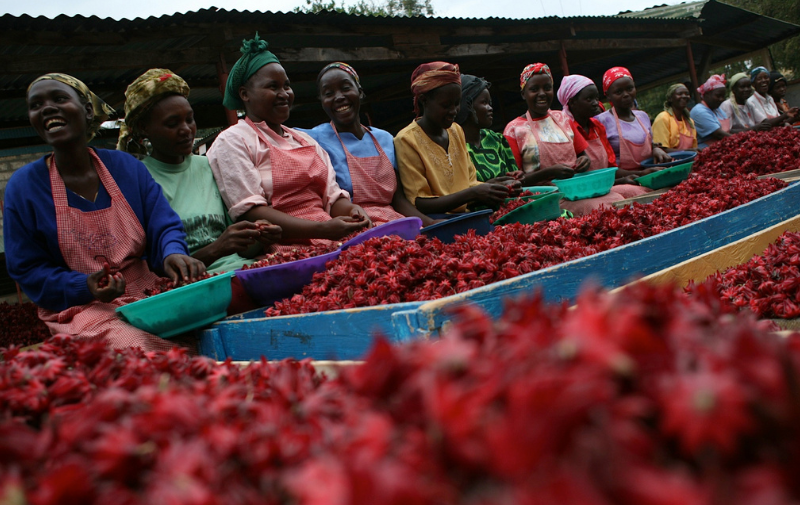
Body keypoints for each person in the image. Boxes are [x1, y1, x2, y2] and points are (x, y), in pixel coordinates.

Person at [4, 73, 206, 351]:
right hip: (82, 306)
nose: (47, 108)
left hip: (148, 291)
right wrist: (83, 285)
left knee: (210, 326)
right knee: (136, 347)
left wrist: (173, 251)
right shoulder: (25, 186)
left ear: (87, 110)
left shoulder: (126, 168)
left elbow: (164, 224)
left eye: (60, 99)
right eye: (36, 105)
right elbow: (26, 268)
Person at [119, 69, 281, 314]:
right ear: (144, 128)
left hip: (240, 272)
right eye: (172, 124)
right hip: (193, 289)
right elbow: (155, 270)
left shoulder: (208, 166)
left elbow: (240, 248)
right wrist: (217, 248)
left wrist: (258, 237)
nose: (186, 129)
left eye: (189, 119)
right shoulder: (139, 181)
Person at [207, 34, 371, 251]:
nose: (284, 94)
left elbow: (331, 197)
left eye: (287, 86)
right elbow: (252, 212)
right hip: (282, 249)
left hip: (333, 239)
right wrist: (321, 229)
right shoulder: (233, 140)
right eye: (273, 87)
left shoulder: (304, 140)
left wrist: (352, 211)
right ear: (245, 94)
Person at [302, 62, 434, 226]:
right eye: (328, 93)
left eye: (345, 88)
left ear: (360, 92)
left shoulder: (384, 139)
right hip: (352, 226)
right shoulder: (313, 139)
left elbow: (398, 201)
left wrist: (431, 224)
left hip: (394, 223)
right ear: (321, 101)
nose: (339, 96)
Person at [395, 62, 517, 216]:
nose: (454, 111)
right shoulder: (406, 140)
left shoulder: (456, 131)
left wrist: (501, 187)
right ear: (424, 100)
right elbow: (420, 203)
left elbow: (470, 183)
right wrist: (473, 193)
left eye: (457, 103)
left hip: (468, 216)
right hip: (438, 223)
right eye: (446, 105)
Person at [504, 64, 628, 216]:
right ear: (523, 94)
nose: (542, 93)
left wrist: (584, 162)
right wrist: (549, 172)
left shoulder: (562, 119)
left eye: (547, 88)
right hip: (545, 200)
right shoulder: (514, 130)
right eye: (534, 89)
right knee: (601, 208)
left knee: (619, 200)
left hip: (576, 191)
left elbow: (583, 155)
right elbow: (516, 182)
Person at [557, 74, 650, 199]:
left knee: (643, 191)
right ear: (572, 103)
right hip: (578, 194)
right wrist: (621, 181)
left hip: (604, 187)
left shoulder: (597, 126)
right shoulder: (564, 130)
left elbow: (611, 167)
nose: (596, 103)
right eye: (589, 99)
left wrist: (638, 174)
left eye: (596, 98)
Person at [596, 67, 672, 170]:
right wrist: (639, 175)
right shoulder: (600, 121)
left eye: (629, 88)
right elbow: (602, 165)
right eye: (619, 92)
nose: (626, 94)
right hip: (623, 180)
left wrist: (655, 149)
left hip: (651, 172)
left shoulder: (643, 116)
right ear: (608, 96)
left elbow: (649, 143)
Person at [456, 74, 522, 184]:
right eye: (484, 102)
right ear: (467, 105)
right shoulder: (452, 145)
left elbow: (514, 175)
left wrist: (517, 177)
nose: (490, 108)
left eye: (490, 103)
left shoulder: (496, 140)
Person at [652, 83, 698, 151]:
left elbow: (694, 148)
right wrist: (687, 152)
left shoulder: (690, 121)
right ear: (670, 99)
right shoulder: (663, 118)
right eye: (680, 94)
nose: (684, 96)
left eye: (687, 94)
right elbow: (661, 150)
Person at [690, 74, 731, 148]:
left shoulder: (717, 109)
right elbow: (719, 134)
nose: (721, 99)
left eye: (723, 96)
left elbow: (729, 131)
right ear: (707, 95)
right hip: (708, 151)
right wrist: (739, 140)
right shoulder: (699, 111)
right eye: (718, 96)